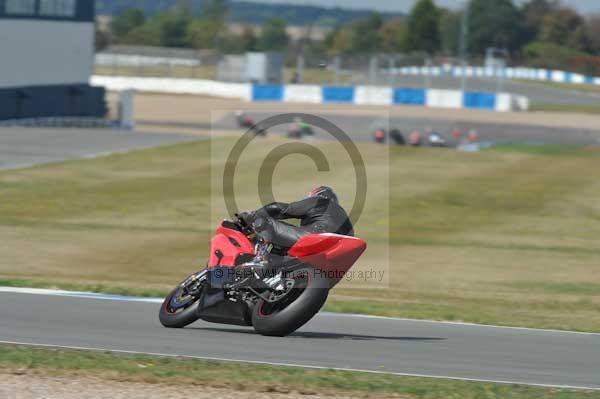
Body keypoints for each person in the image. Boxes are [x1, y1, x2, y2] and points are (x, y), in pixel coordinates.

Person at [238, 186, 354, 273]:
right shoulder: (345, 219)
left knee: (265, 221)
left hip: (316, 237)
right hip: (331, 258)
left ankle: (259, 258)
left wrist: (254, 215)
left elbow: (281, 208)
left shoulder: (321, 201)